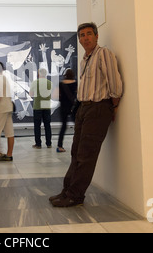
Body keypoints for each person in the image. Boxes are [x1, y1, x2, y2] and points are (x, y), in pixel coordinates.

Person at [50, 22, 123, 207]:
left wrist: (113, 106)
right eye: (82, 35)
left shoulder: (103, 54)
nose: (85, 38)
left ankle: (76, 195)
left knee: (86, 155)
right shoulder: (85, 59)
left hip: (98, 107)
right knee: (75, 153)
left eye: (89, 34)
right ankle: (67, 191)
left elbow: (115, 83)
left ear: (96, 36)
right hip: (84, 108)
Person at [29, 68, 53, 149]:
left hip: (37, 106)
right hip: (46, 106)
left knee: (37, 126)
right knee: (47, 126)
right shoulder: (49, 83)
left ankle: (38, 144)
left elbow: (31, 94)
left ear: (38, 74)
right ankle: (49, 143)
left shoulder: (35, 82)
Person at [56, 68, 77, 153]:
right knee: (77, 126)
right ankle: (77, 145)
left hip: (63, 107)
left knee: (63, 127)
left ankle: (60, 146)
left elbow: (56, 95)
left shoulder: (61, 84)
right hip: (73, 107)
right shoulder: (75, 84)